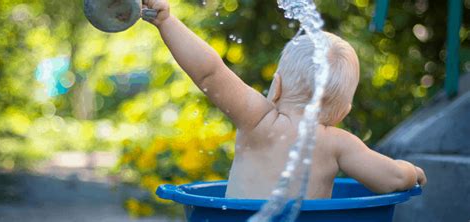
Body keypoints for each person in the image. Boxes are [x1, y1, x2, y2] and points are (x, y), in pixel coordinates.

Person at [141, 0, 427, 199]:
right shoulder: (337, 143)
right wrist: (411, 171)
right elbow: (391, 179)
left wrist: (166, 21)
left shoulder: (258, 120)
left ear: (276, 87)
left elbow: (210, 73)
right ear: (343, 111)